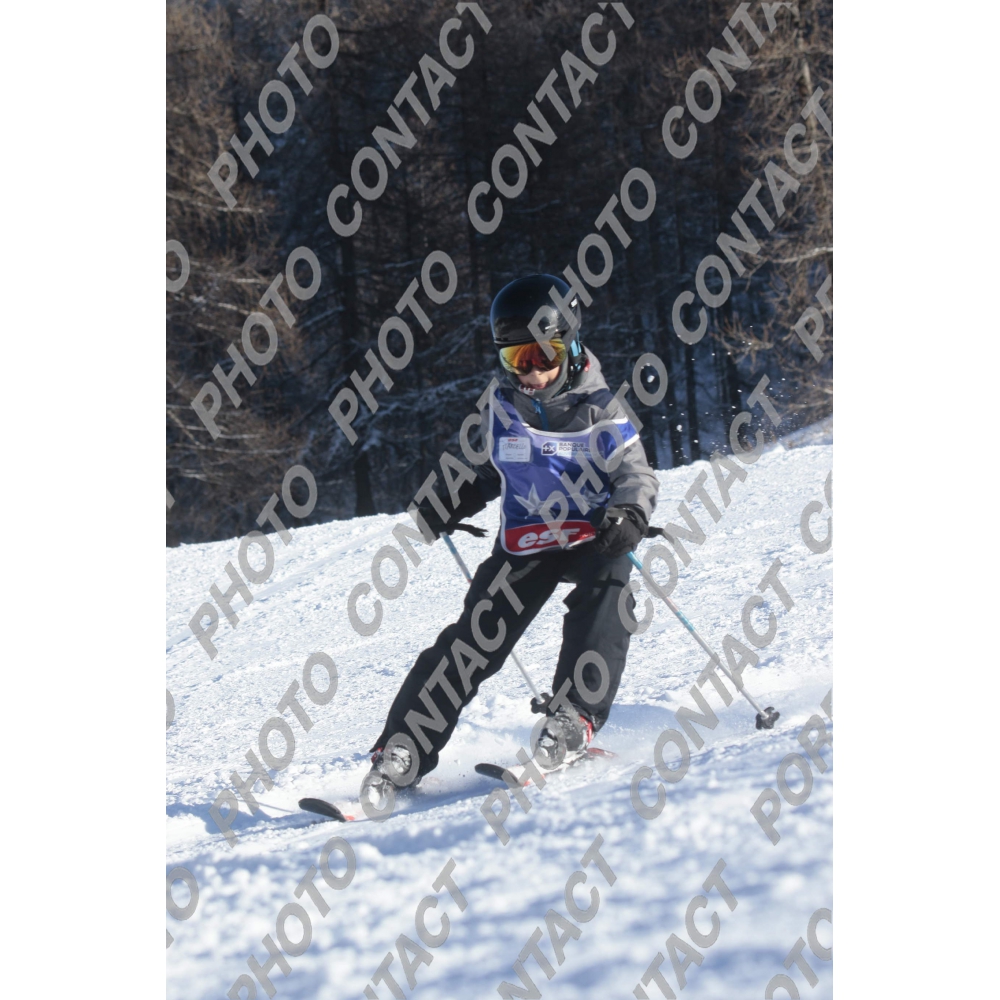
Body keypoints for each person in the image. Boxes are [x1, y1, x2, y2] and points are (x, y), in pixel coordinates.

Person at [362, 274, 659, 810]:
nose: (532, 373)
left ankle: (573, 718)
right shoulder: (502, 407)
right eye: (517, 358)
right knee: (472, 639)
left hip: (594, 536)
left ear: (570, 347)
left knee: (607, 598)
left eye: (543, 355)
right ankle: (403, 748)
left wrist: (630, 513)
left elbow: (635, 473)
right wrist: (452, 498)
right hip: (527, 541)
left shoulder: (601, 408)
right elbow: (487, 468)